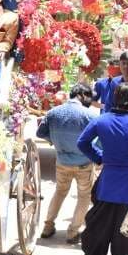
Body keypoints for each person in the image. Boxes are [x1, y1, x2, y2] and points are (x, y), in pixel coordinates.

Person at [78, 82, 128, 255]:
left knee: (100, 222)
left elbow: (83, 143)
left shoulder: (101, 121)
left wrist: (99, 157)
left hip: (107, 181)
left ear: (113, 98)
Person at [37, 83, 96, 244]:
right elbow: (98, 141)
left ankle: (48, 226)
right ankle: (73, 232)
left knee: (59, 192)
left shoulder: (53, 113)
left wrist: (54, 142)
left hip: (62, 161)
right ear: (83, 95)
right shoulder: (89, 115)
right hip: (84, 163)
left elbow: (40, 133)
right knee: (84, 196)